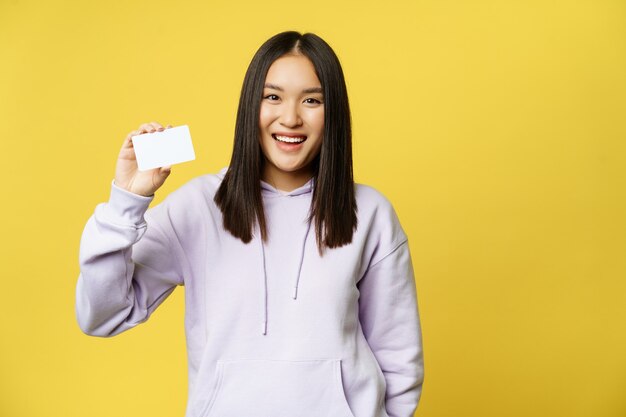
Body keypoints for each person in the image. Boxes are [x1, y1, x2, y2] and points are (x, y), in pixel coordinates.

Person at [76, 31, 424, 417]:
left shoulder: (370, 212)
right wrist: (127, 201)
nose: (290, 117)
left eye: (311, 100)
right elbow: (102, 315)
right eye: (272, 97)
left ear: (334, 112)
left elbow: (398, 357)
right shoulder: (198, 207)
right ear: (249, 107)